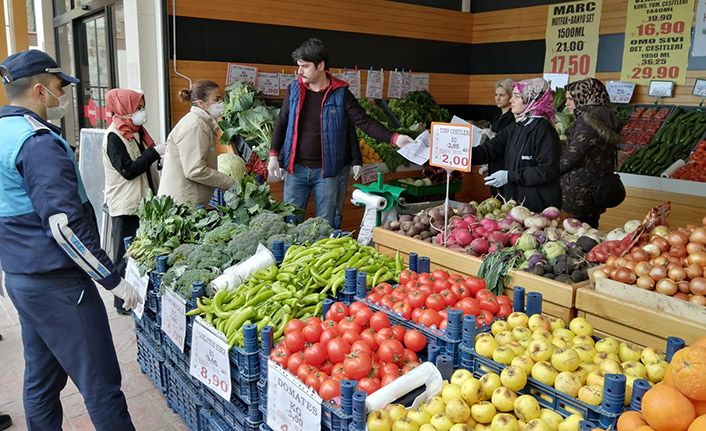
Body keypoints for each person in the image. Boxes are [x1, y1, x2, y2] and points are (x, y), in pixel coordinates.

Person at [0, 49, 139, 430]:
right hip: (60, 286)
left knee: (42, 380)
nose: (65, 95)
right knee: (101, 383)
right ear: (40, 90)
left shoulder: (3, 134)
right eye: (61, 86)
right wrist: (111, 278)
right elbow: (63, 226)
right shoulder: (37, 142)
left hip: (22, 278)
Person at [268, 38, 414, 226]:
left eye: (305, 66)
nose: (299, 71)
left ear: (320, 66)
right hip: (295, 170)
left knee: (324, 225)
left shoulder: (340, 93)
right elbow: (282, 122)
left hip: (327, 173)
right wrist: (273, 155)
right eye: (299, 66)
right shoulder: (294, 90)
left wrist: (396, 138)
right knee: (289, 222)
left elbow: (364, 122)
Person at [103, 88, 165, 314]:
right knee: (124, 255)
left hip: (144, 202)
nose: (142, 112)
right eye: (137, 108)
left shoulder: (137, 132)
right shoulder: (114, 136)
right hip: (126, 205)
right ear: (124, 108)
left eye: (142, 107)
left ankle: (138, 298)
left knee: (140, 254)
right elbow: (127, 170)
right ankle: (122, 303)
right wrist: (154, 153)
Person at [472, 77, 562, 213]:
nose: (511, 100)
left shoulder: (544, 130)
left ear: (531, 99)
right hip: (516, 204)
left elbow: (546, 171)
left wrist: (510, 176)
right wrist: (461, 155)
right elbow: (490, 149)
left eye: (517, 96)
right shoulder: (516, 126)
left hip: (538, 207)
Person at [158, 79, 234, 206]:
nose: (221, 103)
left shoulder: (201, 123)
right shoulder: (195, 126)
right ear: (201, 103)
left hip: (188, 200)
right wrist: (228, 182)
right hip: (182, 203)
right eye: (216, 99)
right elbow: (195, 169)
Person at [561, 78, 623, 228]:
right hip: (596, 188)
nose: (566, 103)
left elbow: (572, 156)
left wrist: (547, 172)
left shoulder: (587, 120)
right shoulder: (607, 116)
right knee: (590, 228)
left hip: (579, 190)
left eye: (570, 98)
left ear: (584, 97)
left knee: (575, 234)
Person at [484, 78, 516, 196]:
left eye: (502, 95)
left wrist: (493, 136)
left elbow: (508, 143)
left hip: (505, 165)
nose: (497, 98)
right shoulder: (497, 117)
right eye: (496, 94)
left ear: (511, 96)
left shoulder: (512, 118)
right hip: (494, 162)